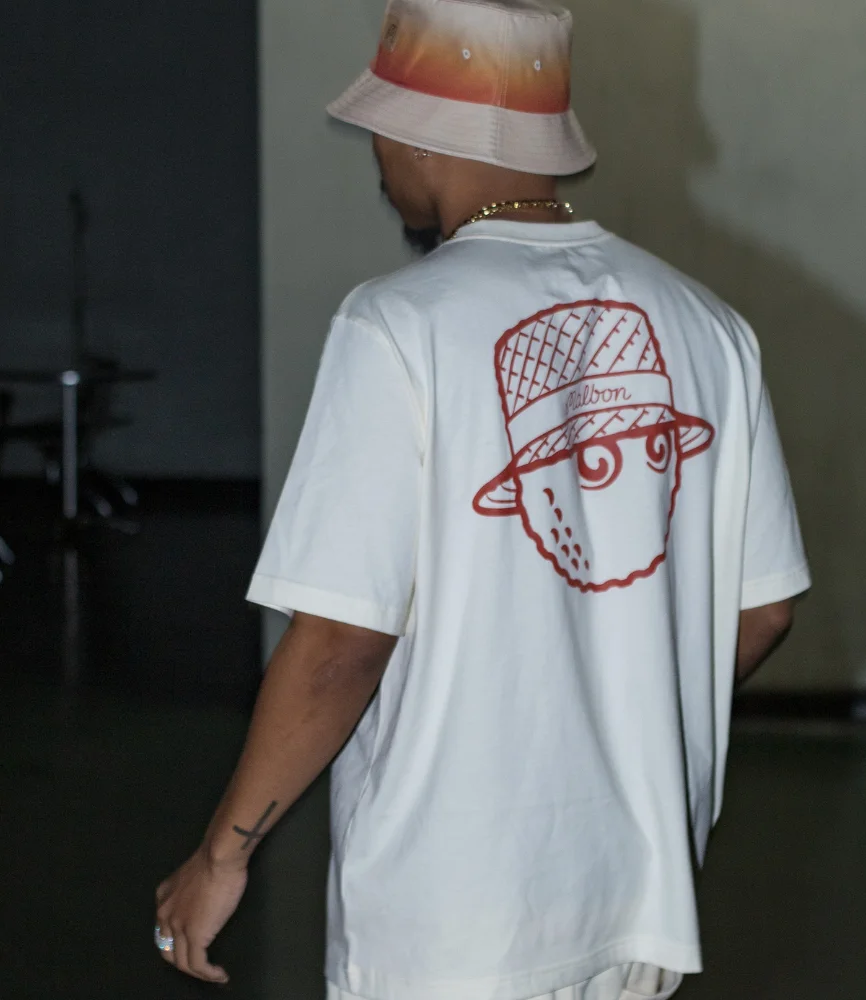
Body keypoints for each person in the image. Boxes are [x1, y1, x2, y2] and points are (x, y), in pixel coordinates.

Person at [154, 1, 810, 997]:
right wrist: (616, 717)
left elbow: (341, 642)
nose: (379, 158)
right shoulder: (709, 325)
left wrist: (221, 854)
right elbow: (762, 611)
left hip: (452, 919)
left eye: (379, 130)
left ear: (417, 136)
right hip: (638, 906)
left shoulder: (397, 326)